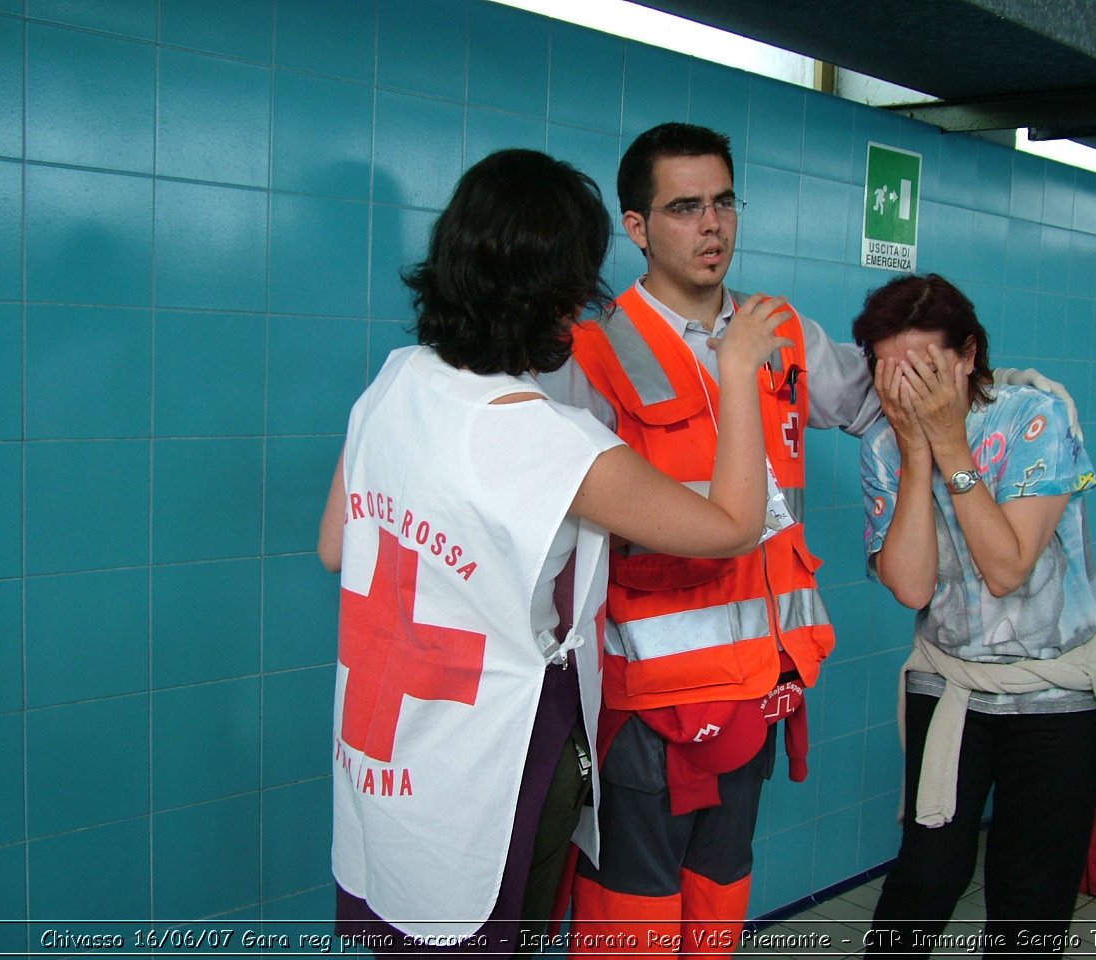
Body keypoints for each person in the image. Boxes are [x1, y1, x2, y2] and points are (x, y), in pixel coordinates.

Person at [542, 122, 1085, 957]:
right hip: (642, 701)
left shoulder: (781, 333)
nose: (712, 224)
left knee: (717, 909)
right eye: (684, 208)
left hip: (758, 689)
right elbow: (542, 516)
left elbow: (896, 402)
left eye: (723, 201)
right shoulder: (589, 353)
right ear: (638, 227)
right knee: (633, 925)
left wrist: (1002, 403)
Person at [316, 148, 794, 956]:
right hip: (491, 763)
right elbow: (733, 526)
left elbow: (337, 547)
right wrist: (738, 370)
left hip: (387, 758)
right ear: (564, 295)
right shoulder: (550, 442)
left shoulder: (394, 382)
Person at [852, 273, 1096, 956]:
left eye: (925, 371)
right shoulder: (881, 445)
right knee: (926, 876)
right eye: (885, 371)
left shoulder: (1036, 419)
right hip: (951, 682)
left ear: (967, 356)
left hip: (1057, 695)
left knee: (1030, 896)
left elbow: (1008, 566)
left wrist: (951, 446)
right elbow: (910, 586)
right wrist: (912, 452)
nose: (903, 391)